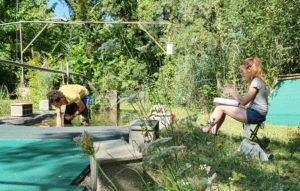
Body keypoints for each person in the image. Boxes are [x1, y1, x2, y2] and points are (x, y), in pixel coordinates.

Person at [201, 57, 268, 135]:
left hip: (255, 115)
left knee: (220, 108)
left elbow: (244, 102)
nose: (241, 74)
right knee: (222, 106)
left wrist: (232, 91)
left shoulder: (256, 81)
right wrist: (234, 100)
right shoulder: (256, 81)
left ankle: (205, 129)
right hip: (256, 113)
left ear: (249, 69)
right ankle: (213, 132)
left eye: (242, 71)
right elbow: (248, 104)